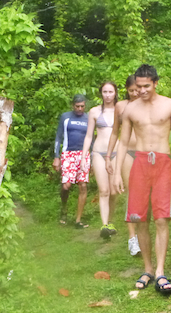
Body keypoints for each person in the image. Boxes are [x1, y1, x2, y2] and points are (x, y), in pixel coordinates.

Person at [113, 64, 171, 296]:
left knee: (162, 218)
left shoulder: (170, 105)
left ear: (156, 83)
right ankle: (147, 269)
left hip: (163, 163)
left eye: (147, 86)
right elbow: (123, 142)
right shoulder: (131, 110)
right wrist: (116, 172)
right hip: (140, 163)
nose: (142, 91)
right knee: (139, 217)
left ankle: (161, 270)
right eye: (139, 87)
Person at [106, 75, 141, 255]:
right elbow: (114, 133)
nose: (135, 93)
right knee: (132, 193)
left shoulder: (146, 103)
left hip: (143, 152)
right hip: (126, 151)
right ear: (126, 91)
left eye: (137, 90)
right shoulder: (121, 106)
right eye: (131, 90)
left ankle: (142, 233)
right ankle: (132, 238)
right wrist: (108, 156)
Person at [80, 82, 119, 238]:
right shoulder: (94, 112)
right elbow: (89, 135)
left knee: (114, 191)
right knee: (104, 190)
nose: (108, 95)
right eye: (105, 91)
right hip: (98, 152)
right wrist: (84, 156)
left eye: (110, 91)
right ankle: (104, 225)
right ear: (101, 93)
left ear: (115, 93)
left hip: (116, 153)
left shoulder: (121, 109)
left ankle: (110, 221)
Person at [53, 94, 90, 229]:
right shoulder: (66, 117)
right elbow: (58, 137)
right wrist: (56, 156)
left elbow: (91, 137)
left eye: (82, 106)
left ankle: (78, 220)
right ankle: (64, 209)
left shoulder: (88, 118)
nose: (80, 109)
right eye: (77, 106)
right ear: (73, 105)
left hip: (83, 154)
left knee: (83, 185)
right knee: (66, 186)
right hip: (68, 153)